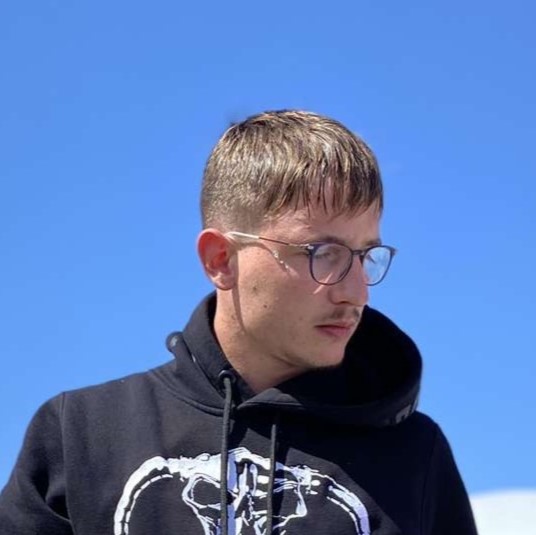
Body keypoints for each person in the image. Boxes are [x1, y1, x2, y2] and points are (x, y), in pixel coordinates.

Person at [0, 110, 478, 534]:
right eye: (322, 253)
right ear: (221, 259)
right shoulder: (82, 434)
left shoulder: (415, 457)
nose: (356, 292)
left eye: (365, 255)